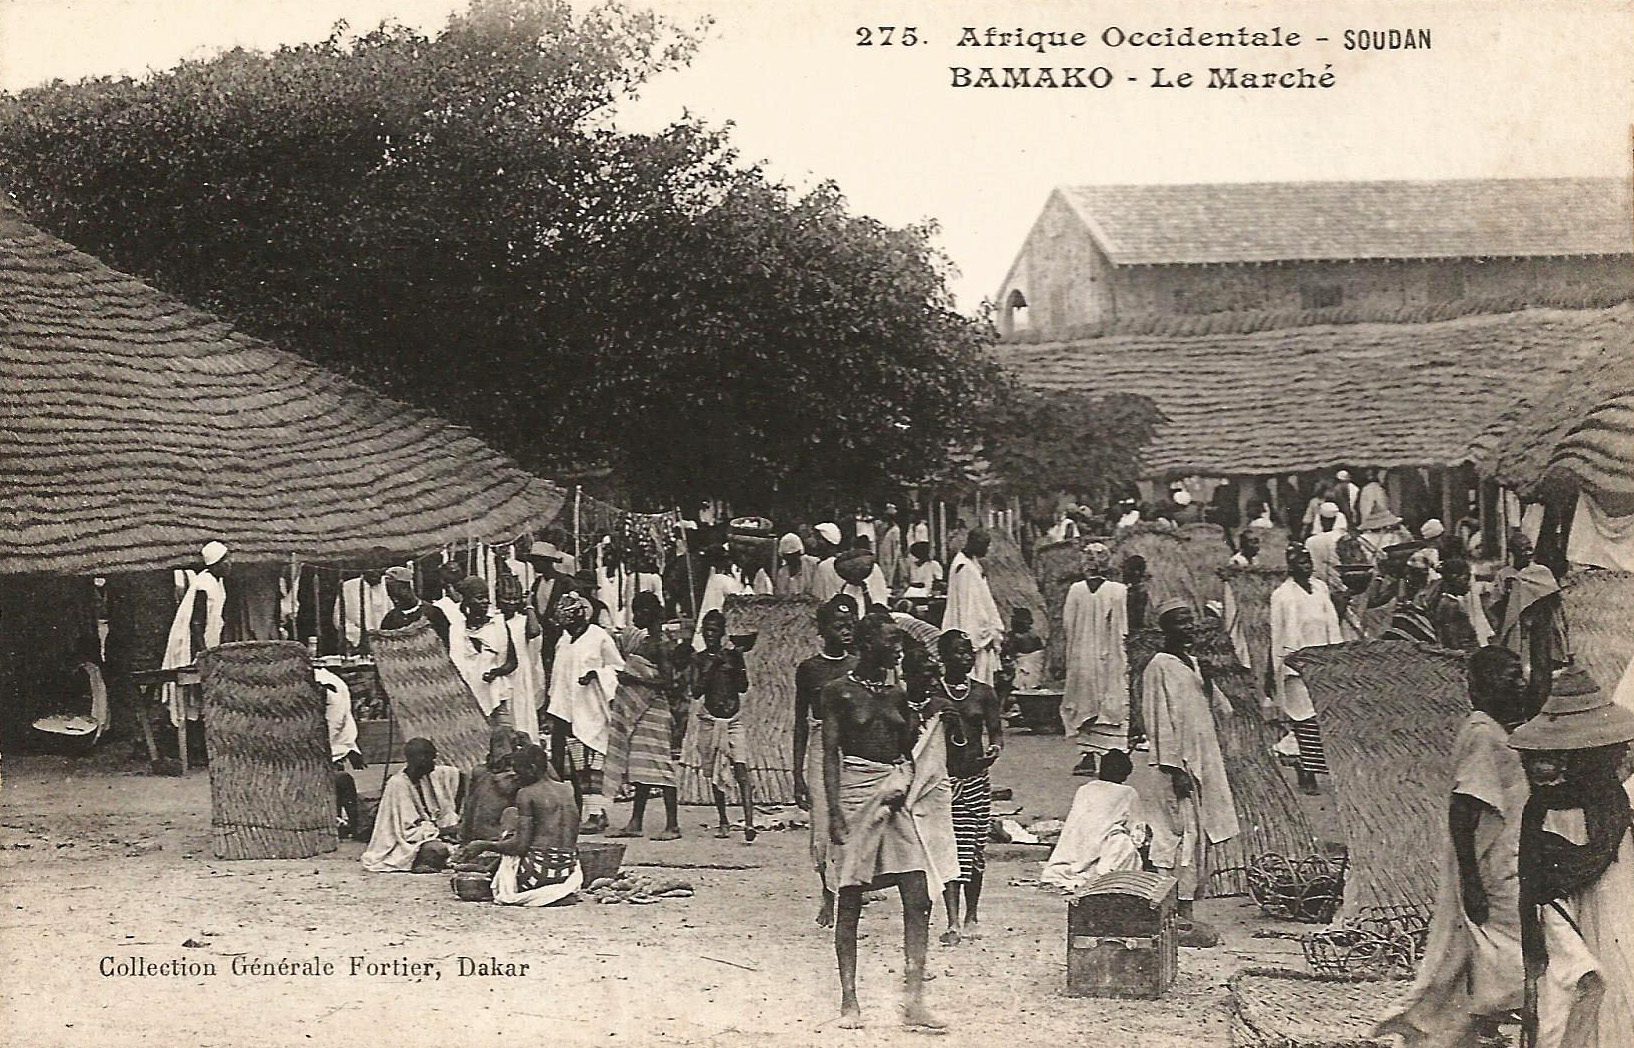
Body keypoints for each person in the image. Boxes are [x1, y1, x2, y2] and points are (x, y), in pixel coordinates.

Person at [1376, 646, 1530, 1048]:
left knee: (1487, 955)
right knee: (1507, 954)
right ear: (1478, 687)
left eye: (1520, 675)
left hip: (1503, 857)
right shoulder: (1483, 733)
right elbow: (1463, 810)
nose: (1518, 683)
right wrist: (1471, 880)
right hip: (1490, 863)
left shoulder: (1499, 728)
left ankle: (1462, 1031)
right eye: (1508, 676)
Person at [823, 614, 951, 1032]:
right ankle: (849, 1000)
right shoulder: (837, 692)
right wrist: (834, 814)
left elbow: (905, 752)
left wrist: (904, 783)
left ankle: (913, 1000)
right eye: (890, 640)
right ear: (866, 644)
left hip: (894, 799)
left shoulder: (897, 694)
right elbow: (829, 755)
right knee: (851, 899)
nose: (897, 647)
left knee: (919, 896)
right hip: (855, 796)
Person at [1508, 667, 1634, 1048]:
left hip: (1606, 894)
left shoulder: (1609, 802)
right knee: (1579, 983)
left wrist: (1555, 874)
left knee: (1608, 978)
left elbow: (1569, 863)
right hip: (1581, 900)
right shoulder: (1549, 807)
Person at [1141, 601, 1240, 940]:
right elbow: (1157, 720)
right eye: (1180, 623)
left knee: (1197, 837)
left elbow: (1221, 712)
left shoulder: (1196, 664)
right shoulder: (1158, 666)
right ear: (1166, 629)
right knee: (1178, 836)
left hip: (1202, 760)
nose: (1189, 628)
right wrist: (1173, 766)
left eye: (1191, 622)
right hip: (1176, 766)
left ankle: (1186, 908)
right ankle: (1176, 910)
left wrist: (1209, 680)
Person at [933, 630, 1004, 946]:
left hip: (977, 779)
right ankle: (952, 920)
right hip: (944, 781)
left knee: (974, 850)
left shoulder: (984, 693)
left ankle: (971, 914)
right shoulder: (933, 691)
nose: (965, 657)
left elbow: (996, 733)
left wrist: (995, 749)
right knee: (952, 849)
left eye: (968, 652)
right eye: (958, 652)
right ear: (943, 658)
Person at [794, 595, 859, 926]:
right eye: (838, 625)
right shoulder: (809, 670)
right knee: (822, 824)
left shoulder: (857, 665)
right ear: (822, 629)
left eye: (850, 625)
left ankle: (847, 890)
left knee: (849, 819)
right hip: (821, 749)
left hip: (852, 748)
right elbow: (800, 722)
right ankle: (826, 891)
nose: (846, 631)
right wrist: (796, 774)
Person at [460, 744, 584, 907]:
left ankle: (535, 889)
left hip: (538, 873)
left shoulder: (526, 793)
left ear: (532, 768)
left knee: (511, 819)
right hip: (567, 872)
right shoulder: (567, 789)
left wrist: (484, 845)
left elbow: (519, 846)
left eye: (519, 771)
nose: (516, 777)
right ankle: (556, 893)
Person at [605, 592, 684, 841]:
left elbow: (669, 682)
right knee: (641, 768)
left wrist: (634, 679)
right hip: (642, 713)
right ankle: (635, 822)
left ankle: (673, 825)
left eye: (640, 611)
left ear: (651, 614)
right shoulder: (645, 641)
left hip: (654, 711)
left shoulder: (660, 645)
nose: (636, 616)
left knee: (660, 768)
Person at [546, 591, 624, 835]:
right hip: (568, 712)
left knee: (595, 765)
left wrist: (596, 674)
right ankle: (586, 813)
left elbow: (617, 668)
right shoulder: (564, 640)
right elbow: (559, 676)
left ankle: (598, 814)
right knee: (578, 767)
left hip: (593, 709)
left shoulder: (599, 637)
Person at [1271, 543, 1346, 794]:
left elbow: (1332, 625)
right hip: (1297, 668)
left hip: (1322, 664)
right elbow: (1280, 634)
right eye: (1300, 562)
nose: (1306, 565)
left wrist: (1335, 658)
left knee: (1323, 718)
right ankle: (1306, 771)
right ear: (1290, 566)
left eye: (1308, 560)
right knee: (1304, 719)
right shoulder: (1282, 595)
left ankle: (1312, 764)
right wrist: (1287, 665)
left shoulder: (1320, 588)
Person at [687, 609, 758, 842]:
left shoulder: (732, 656)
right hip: (710, 719)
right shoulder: (698, 659)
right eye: (706, 630)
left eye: (714, 631)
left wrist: (738, 662)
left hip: (734, 719)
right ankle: (723, 821)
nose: (709, 635)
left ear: (722, 633)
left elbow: (742, 687)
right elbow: (696, 691)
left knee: (741, 768)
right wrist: (713, 666)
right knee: (716, 771)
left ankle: (749, 823)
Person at [1061, 542, 1130, 776]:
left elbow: (1068, 625)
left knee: (1084, 703)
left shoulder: (1075, 590)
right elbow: (1122, 627)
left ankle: (1088, 756)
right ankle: (1109, 756)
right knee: (1109, 702)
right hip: (1110, 656)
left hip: (1082, 657)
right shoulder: (1119, 591)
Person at [1040, 749, 1148, 892]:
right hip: (1103, 846)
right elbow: (1137, 829)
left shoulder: (1084, 789)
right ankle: (1103, 876)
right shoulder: (1127, 792)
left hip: (1075, 845)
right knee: (1124, 844)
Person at [361, 737, 463, 873]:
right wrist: (444, 831)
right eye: (431, 759)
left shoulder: (427, 777)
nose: (434, 763)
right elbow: (406, 831)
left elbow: (458, 776)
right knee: (437, 850)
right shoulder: (398, 784)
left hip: (430, 834)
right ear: (420, 759)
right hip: (405, 843)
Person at [160, 540, 231, 730]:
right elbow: (196, 623)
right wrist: (203, 653)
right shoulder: (204, 584)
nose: (229, 564)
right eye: (225, 560)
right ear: (214, 564)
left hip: (207, 643)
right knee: (193, 692)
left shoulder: (217, 582)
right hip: (193, 645)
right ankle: (190, 737)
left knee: (201, 697)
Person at [449, 575, 517, 720]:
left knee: (503, 735)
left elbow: (512, 662)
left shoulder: (498, 625)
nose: (485, 601)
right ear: (467, 601)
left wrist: (496, 672)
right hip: (467, 698)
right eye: (479, 598)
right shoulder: (457, 630)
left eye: (486, 597)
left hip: (495, 694)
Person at [944, 528, 1005, 685]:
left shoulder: (972, 563)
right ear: (974, 543)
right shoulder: (963, 567)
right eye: (985, 545)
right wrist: (982, 634)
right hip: (973, 634)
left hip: (980, 633)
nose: (987, 549)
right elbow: (969, 607)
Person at [1384, 555, 1480, 651]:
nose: (1468, 585)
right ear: (1454, 578)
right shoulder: (1449, 604)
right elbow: (1451, 641)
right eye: (1465, 579)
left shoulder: (1430, 590)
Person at [316, 667, 367, 839]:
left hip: (330, 746)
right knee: (338, 783)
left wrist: (351, 747)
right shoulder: (332, 686)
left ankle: (344, 823)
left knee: (337, 783)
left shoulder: (333, 691)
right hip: (331, 746)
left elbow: (338, 722)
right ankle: (344, 823)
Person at [496, 572, 545, 740]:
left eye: (515, 598)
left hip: (519, 677)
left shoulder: (523, 621)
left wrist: (529, 606)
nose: (511, 603)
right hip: (500, 674)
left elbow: (534, 631)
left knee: (521, 716)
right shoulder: (494, 620)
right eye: (507, 598)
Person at [378, 565, 452, 644]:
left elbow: (444, 645)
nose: (394, 598)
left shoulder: (433, 613)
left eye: (397, 591)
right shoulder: (390, 618)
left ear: (408, 587)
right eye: (390, 594)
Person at [335, 565, 392, 652]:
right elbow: (339, 618)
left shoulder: (390, 585)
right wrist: (359, 637)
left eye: (379, 568)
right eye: (371, 568)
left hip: (387, 643)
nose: (375, 572)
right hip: (356, 643)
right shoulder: (348, 587)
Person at [772, 532, 819, 598]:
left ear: (799, 552)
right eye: (788, 556)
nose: (791, 559)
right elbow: (781, 594)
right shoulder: (782, 573)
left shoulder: (812, 564)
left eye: (794, 555)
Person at [810, 522, 846, 603]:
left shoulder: (825, 566)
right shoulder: (841, 561)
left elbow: (817, 597)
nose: (816, 544)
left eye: (819, 539)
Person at [877, 505, 905, 593]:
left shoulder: (895, 530)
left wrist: (895, 558)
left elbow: (896, 546)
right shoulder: (884, 528)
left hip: (891, 555)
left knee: (890, 571)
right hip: (884, 554)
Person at [1122, 555, 1150, 632]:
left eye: (1127, 569)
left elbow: (1138, 614)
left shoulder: (1139, 591)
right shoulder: (1130, 588)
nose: (1124, 572)